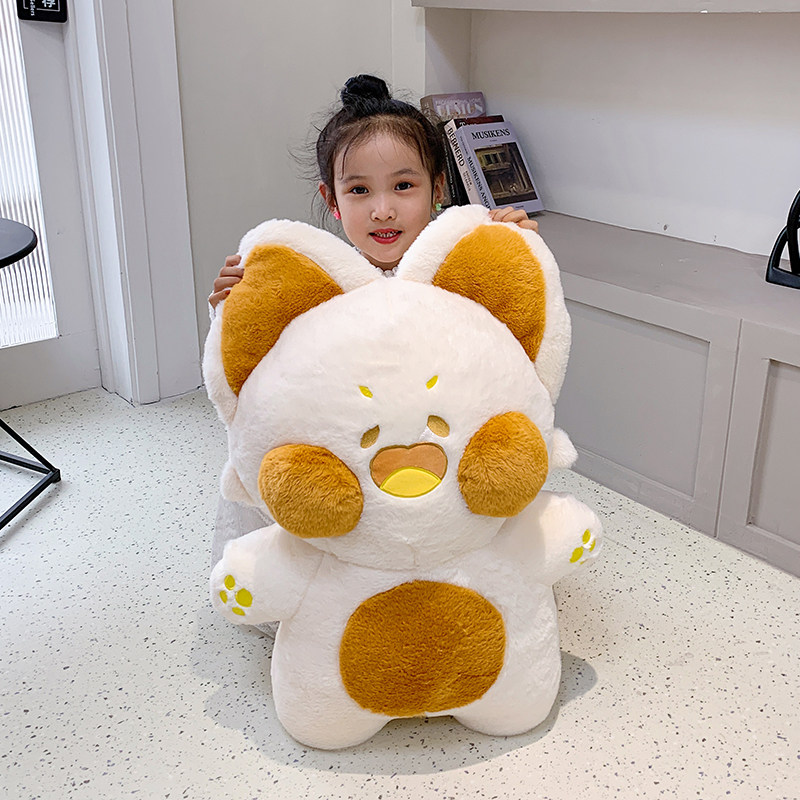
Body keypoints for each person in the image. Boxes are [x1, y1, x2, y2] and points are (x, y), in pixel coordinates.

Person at [208, 74, 540, 626]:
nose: (382, 210)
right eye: (359, 190)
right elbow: (267, 381)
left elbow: (512, 343)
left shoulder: (456, 267)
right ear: (331, 200)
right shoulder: (318, 284)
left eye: (403, 186)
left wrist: (517, 246)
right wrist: (232, 306)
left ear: (438, 188)